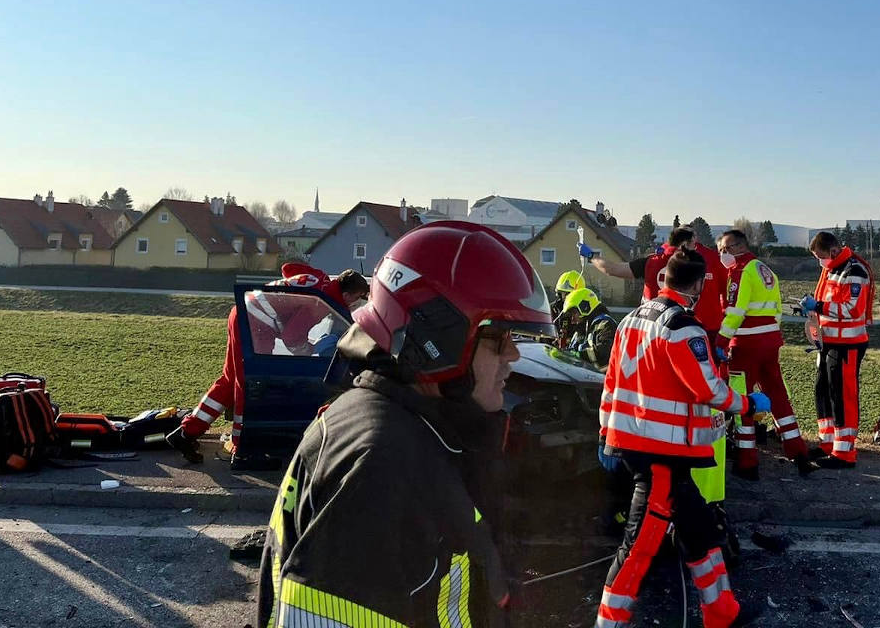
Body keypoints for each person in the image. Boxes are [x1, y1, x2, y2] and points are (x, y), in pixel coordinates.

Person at [257, 221, 555, 627]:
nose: (513, 356)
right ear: (439, 338)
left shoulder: (412, 431)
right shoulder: (382, 467)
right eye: (499, 337)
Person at [596, 249, 770, 628]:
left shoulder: (630, 320)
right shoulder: (682, 328)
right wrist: (748, 403)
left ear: (665, 279)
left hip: (640, 446)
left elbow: (611, 382)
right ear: (697, 286)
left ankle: (722, 613)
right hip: (661, 454)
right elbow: (707, 389)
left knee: (701, 533)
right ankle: (608, 623)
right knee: (638, 548)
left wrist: (605, 433)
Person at [165, 264, 369, 463]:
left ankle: (186, 432)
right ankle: (242, 448)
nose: (357, 303)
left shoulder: (319, 277)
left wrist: (288, 299)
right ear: (347, 295)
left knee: (230, 380)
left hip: (242, 311)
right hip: (257, 324)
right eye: (358, 298)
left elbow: (288, 268)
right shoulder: (319, 304)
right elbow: (291, 337)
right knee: (248, 386)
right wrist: (310, 350)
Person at [715, 230, 816, 477]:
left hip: (745, 345)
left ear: (738, 247)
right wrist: (769, 335)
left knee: (743, 402)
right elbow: (777, 309)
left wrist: (721, 341)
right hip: (770, 342)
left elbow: (735, 312)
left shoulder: (740, 271)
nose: (722, 254)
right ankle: (798, 452)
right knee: (778, 396)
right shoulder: (764, 269)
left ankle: (747, 462)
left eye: (724, 249)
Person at [800, 231, 874, 469]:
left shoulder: (854, 271)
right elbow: (829, 302)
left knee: (842, 396)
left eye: (820, 257)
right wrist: (813, 308)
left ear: (832, 251)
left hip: (847, 344)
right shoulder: (831, 269)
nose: (819, 262)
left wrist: (819, 306)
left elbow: (852, 309)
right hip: (828, 341)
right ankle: (828, 443)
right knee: (823, 391)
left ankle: (844, 452)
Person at [585, 225, 727, 341]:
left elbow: (612, 269)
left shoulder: (652, 261)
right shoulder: (708, 262)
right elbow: (727, 293)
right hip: (699, 332)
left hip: (651, 329)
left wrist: (591, 256)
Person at [560, 287, 618, 369]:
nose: (572, 319)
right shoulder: (581, 329)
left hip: (602, 375)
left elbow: (604, 351)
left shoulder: (605, 324)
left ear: (585, 307)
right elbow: (572, 350)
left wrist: (579, 355)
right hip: (584, 375)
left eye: (574, 313)